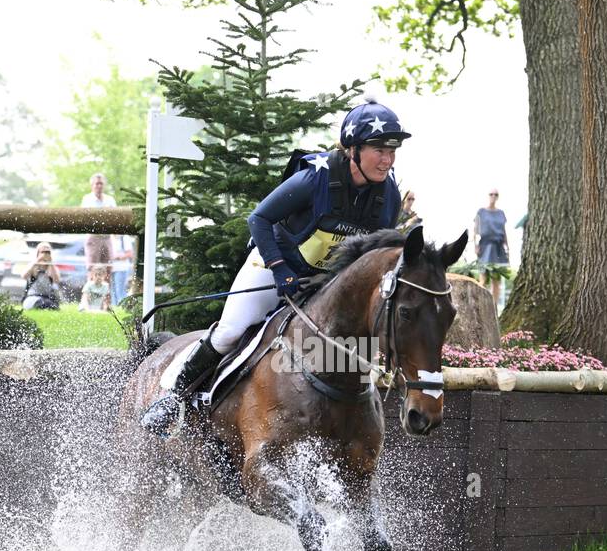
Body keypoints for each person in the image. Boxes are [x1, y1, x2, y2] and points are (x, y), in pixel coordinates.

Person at [140, 97, 410, 435]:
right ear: (353, 148)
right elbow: (259, 219)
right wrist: (280, 268)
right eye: (379, 150)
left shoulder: (387, 195)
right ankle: (173, 396)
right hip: (273, 265)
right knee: (231, 331)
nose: (387, 160)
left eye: (392, 150)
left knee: (347, 347)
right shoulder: (317, 179)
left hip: (322, 282)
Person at [473, 189, 509, 309]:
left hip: (498, 248)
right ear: (488, 195)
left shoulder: (501, 213)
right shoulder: (481, 212)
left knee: (496, 280)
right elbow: (475, 229)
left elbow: (504, 231)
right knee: (483, 279)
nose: (493, 196)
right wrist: (475, 245)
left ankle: (493, 308)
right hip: (485, 246)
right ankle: (480, 306)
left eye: (496, 194)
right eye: (491, 194)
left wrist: (507, 247)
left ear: (498, 197)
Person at [22, 242, 62, 310]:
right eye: (43, 252)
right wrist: (38, 260)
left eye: (47, 252)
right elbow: (24, 276)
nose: (45, 254)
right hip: (32, 298)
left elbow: (57, 280)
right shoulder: (32, 266)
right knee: (44, 304)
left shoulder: (52, 268)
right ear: (38, 253)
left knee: (52, 306)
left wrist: (50, 263)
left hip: (47, 298)